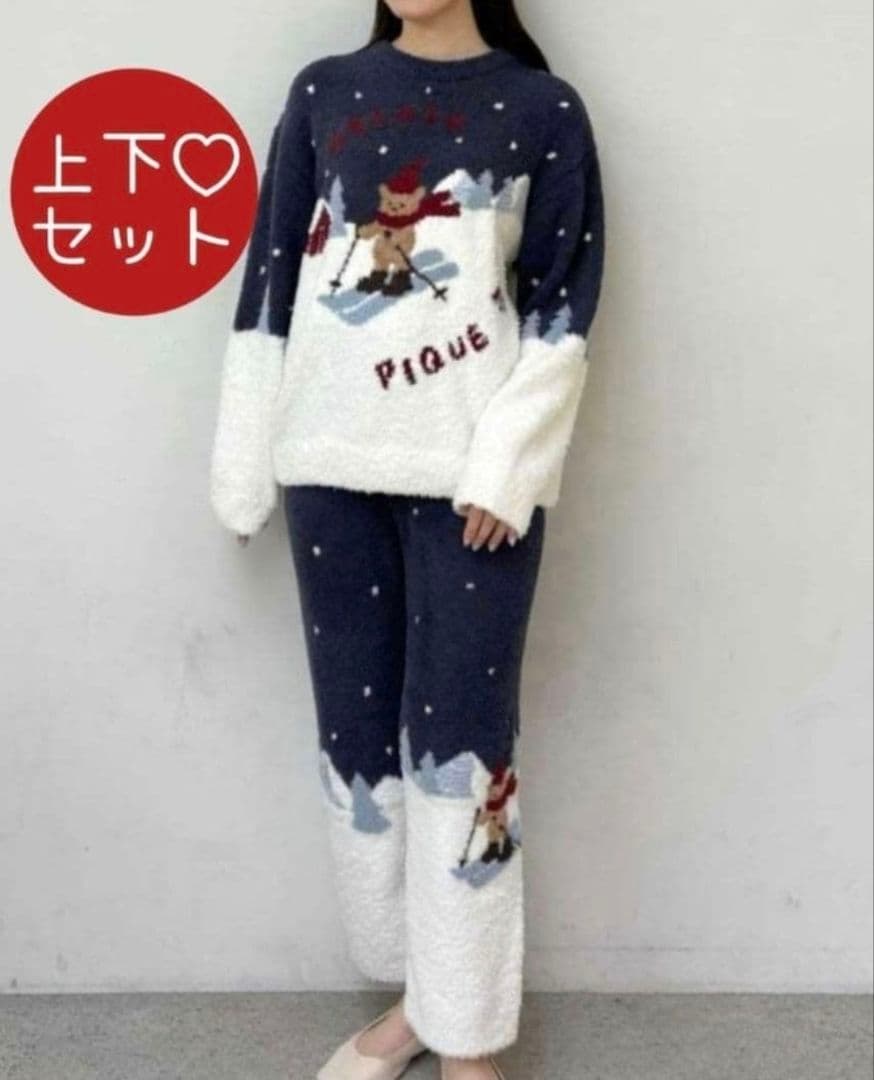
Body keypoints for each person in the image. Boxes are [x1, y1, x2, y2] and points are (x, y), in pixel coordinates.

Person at [209, 1, 606, 1076]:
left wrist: (508, 467)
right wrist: (246, 458)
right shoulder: (325, 92)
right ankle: (420, 1000)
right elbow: (269, 280)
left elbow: (564, 301)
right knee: (357, 740)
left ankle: (466, 1033)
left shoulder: (541, 110)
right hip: (327, 467)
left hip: (468, 484)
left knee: (463, 748)